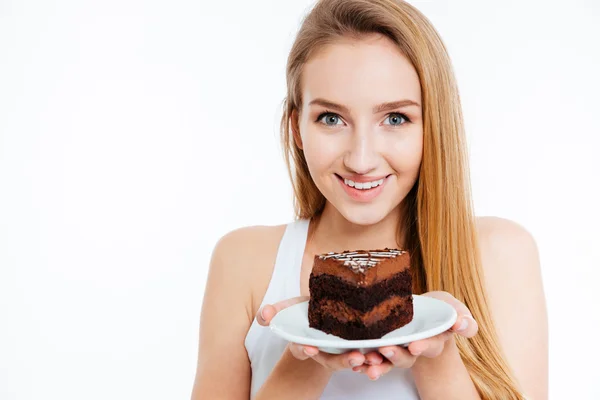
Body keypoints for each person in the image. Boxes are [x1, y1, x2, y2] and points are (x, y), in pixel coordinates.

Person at [190, 0, 548, 398]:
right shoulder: (243, 261)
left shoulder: (499, 255)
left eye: (395, 118)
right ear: (297, 128)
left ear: (434, 126)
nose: (361, 159)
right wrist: (306, 353)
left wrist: (435, 350)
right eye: (331, 118)